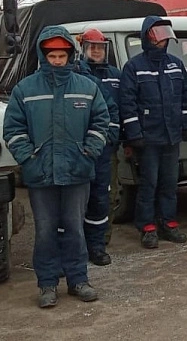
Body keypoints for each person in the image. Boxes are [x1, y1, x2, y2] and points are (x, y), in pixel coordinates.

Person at [3, 26, 110, 308]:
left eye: (62, 55)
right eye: (53, 55)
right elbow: (13, 129)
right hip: (41, 174)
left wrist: (88, 153)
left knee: (75, 229)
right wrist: (29, 158)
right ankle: (47, 284)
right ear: (43, 54)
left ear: (70, 55)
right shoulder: (25, 90)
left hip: (77, 172)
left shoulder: (87, 88)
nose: (58, 60)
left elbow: (101, 123)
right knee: (46, 230)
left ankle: (78, 281)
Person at [120, 16, 187, 249]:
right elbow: (127, 103)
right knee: (149, 184)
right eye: (157, 37)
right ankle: (147, 226)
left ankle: (168, 222)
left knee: (169, 183)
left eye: (164, 38)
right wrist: (135, 133)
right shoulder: (134, 67)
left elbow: (185, 96)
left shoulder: (175, 64)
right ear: (147, 38)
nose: (162, 42)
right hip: (148, 139)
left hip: (171, 136)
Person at [77, 28, 121, 266]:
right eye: (91, 47)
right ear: (82, 48)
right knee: (76, 199)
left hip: (105, 150)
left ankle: (99, 243)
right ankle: (78, 246)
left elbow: (119, 108)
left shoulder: (115, 75)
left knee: (103, 197)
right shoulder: (75, 75)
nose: (96, 51)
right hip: (80, 150)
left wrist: (113, 137)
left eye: (100, 47)